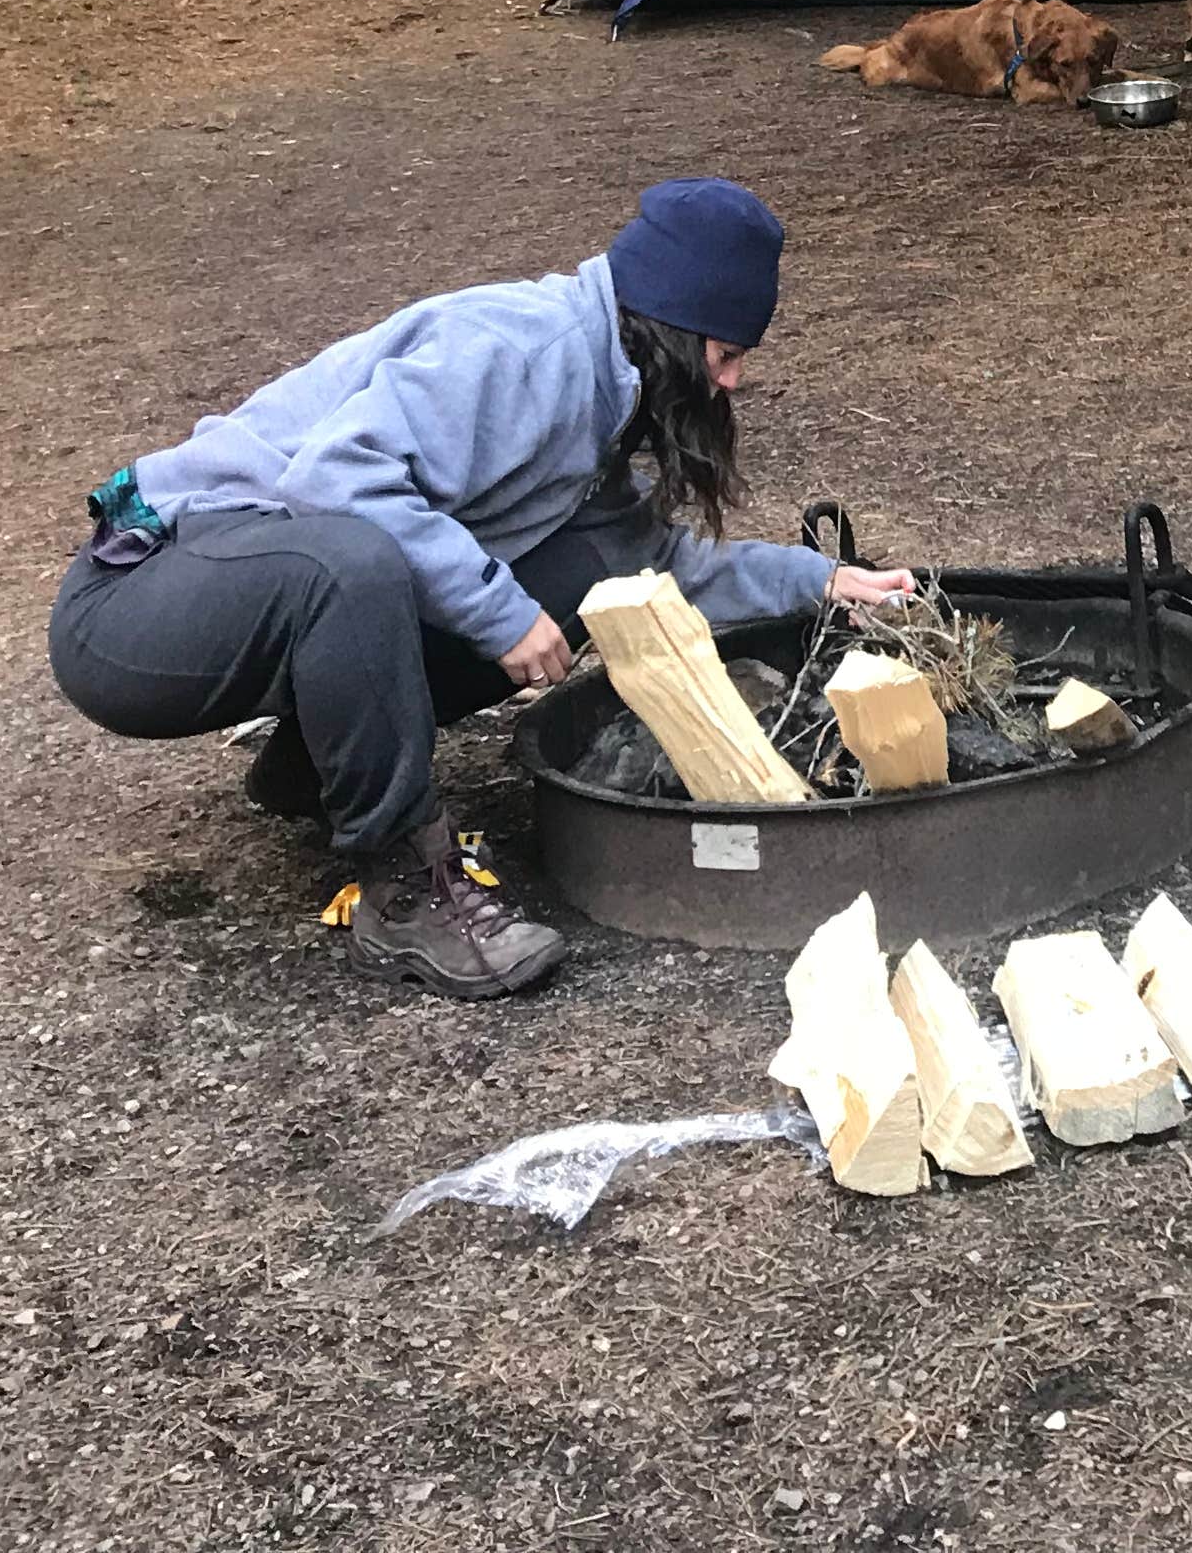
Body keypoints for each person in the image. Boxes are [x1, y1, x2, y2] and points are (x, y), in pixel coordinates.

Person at [47, 176, 904, 998]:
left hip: (269, 584)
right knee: (359, 560)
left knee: (576, 577)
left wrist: (820, 581)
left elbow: (655, 572)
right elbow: (334, 481)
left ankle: (316, 768)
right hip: (137, 605)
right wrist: (497, 613)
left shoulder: (607, 390)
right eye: (724, 354)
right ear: (674, 326)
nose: (731, 382)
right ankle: (404, 888)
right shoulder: (525, 350)